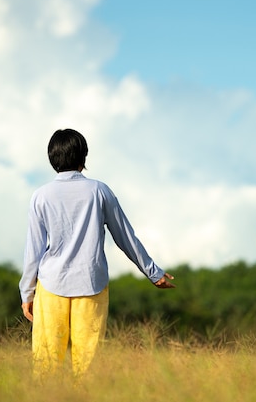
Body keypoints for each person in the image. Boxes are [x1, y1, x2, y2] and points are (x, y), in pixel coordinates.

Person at [19, 129, 175, 379]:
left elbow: (33, 250)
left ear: (52, 158)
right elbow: (126, 237)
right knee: (87, 367)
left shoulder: (40, 196)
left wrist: (27, 292)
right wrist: (153, 272)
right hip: (91, 285)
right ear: (83, 156)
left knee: (46, 367)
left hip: (50, 286)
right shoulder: (100, 191)